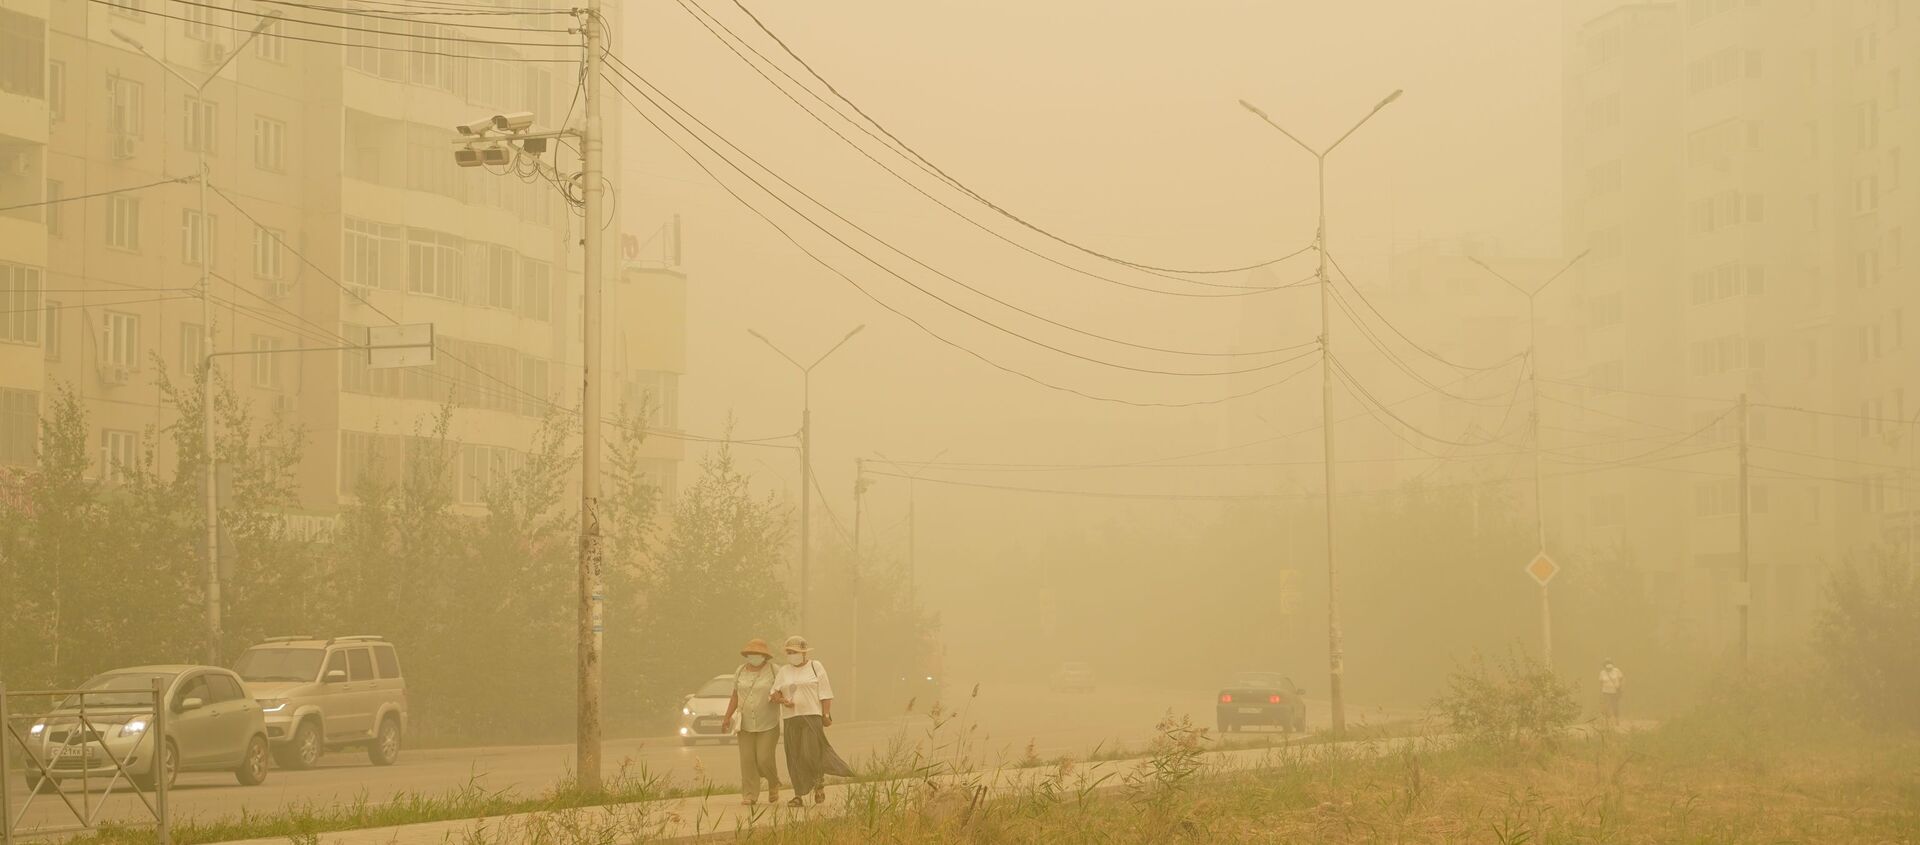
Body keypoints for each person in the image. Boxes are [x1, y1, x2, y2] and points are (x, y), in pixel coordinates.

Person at [770, 635, 852, 808]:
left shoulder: (815, 667)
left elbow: (826, 693)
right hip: (791, 718)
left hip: (811, 716)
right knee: (794, 756)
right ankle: (798, 794)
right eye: (789, 652)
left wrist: (826, 714)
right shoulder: (784, 671)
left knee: (810, 752)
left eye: (796, 652)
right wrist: (782, 700)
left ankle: (818, 783)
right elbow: (774, 693)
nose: (792, 655)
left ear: (804, 653)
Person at [720, 638, 782, 806]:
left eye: (758, 654)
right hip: (745, 722)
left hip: (768, 722)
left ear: (764, 656)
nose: (754, 657)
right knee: (747, 760)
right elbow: (735, 695)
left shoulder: (774, 670)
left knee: (763, 758)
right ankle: (750, 794)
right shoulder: (740, 671)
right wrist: (727, 717)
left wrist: (779, 698)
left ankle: (773, 781)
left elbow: (783, 692)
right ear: (746, 655)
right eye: (751, 654)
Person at [1598, 659, 1624, 727]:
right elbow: (1600, 682)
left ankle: (1616, 720)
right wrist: (1601, 691)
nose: (1609, 669)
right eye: (1607, 668)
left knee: (1615, 706)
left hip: (1615, 692)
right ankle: (1608, 721)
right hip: (1606, 692)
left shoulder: (1617, 671)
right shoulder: (1602, 672)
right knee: (1606, 706)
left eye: (1610, 668)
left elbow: (1621, 679)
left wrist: (1620, 687)